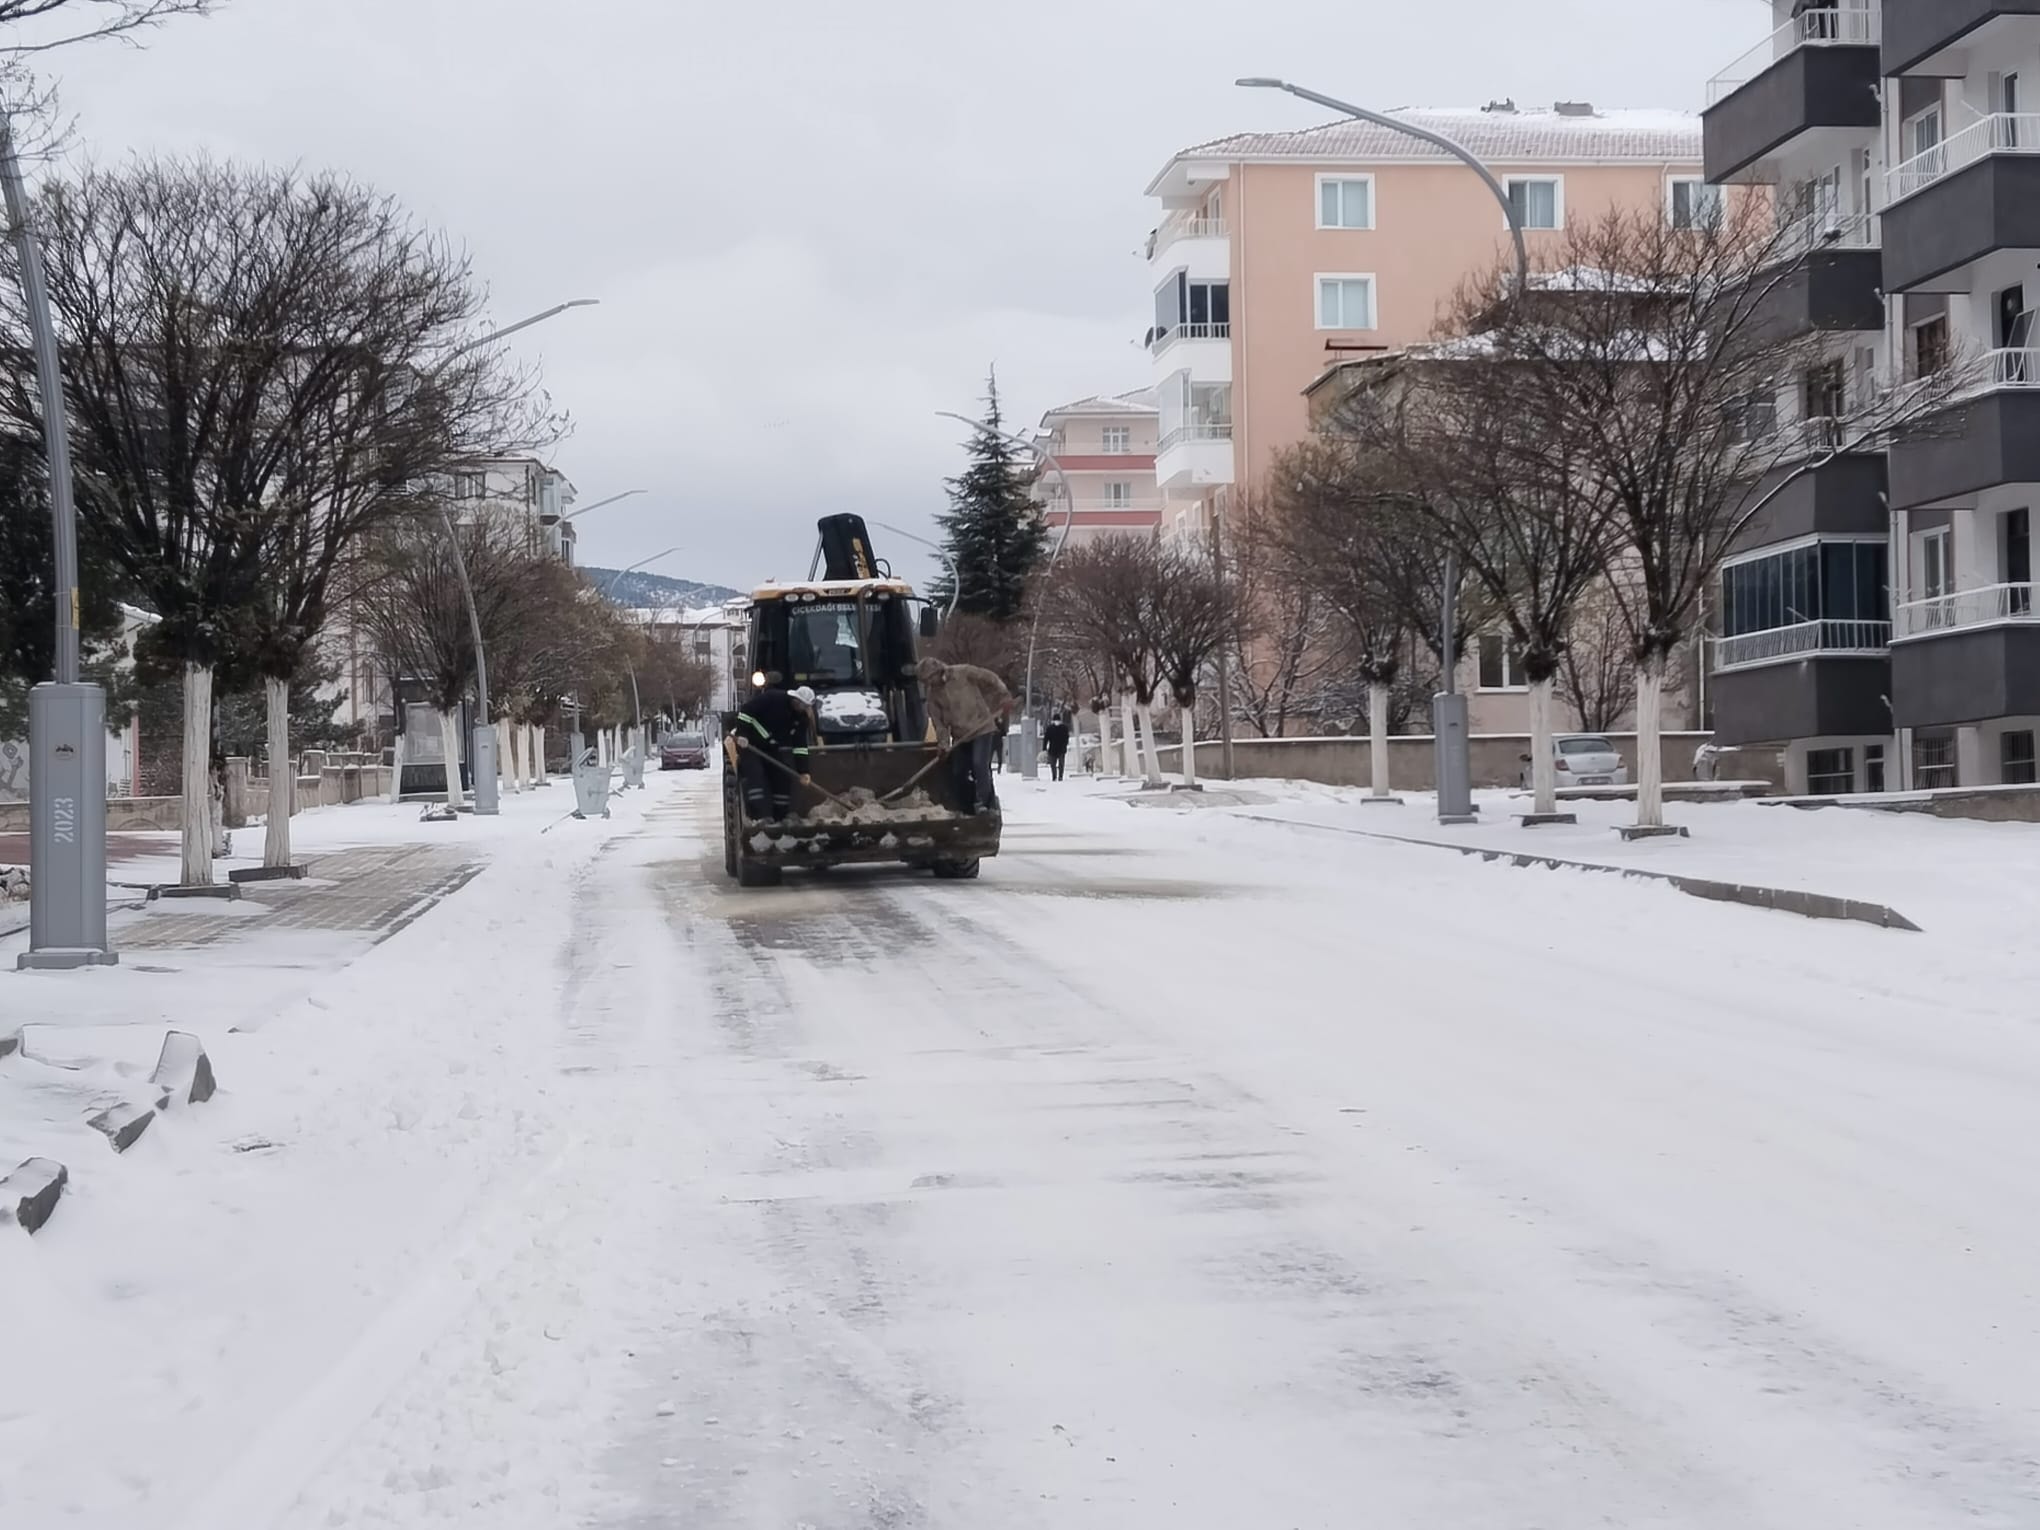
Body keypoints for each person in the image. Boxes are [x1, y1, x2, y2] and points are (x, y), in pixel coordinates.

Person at [918, 656, 1013, 814]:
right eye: (926, 681)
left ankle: (985, 803)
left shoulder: (964, 673)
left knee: (979, 764)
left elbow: (991, 678)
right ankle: (966, 807)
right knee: (958, 771)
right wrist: (943, 744)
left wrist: (1004, 695)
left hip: (981, 728)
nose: (930, 683)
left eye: (930, 679)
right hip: (961, 736)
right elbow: (939, 724)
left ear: (937, 671)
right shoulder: (933, 696)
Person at [733, 674, 814, 822]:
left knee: (782, 776)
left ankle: (780, 817)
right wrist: (742, 734)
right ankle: (760, 817)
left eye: (806, 707)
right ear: (795, 699)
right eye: (801, 705)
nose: (802, 709)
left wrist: (804, 771)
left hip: (771, 747)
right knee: (756, 776)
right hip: (749, 745)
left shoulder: (801, 719)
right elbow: (746, 711)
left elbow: (800, 746)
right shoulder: (773, 698)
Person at [1043, 709, 1072, 782]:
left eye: (1057, 720)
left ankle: (1060, 776)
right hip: (1053, 749)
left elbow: (1066, 738)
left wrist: (1065, 745)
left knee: (1061, 764)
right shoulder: (1050, 728)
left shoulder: (1063, 728)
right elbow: (1046, 738)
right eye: (1056, 720)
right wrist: (1044, 747)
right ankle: (1054, 776)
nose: (1057, 722)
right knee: (1053, 764)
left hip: (1060, 749)